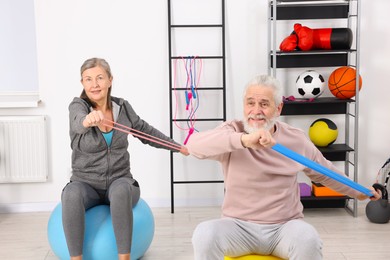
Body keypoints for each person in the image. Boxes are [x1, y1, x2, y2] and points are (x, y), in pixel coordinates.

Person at [186, 75, 380, 260]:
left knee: (308, 239)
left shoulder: (295, 139)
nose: (256, 110)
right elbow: (193, 146)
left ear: (278, 108)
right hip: (237, 226)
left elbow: (324, 172)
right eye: (250, 103)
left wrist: (358, 192)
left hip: (284, 227)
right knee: (204, 234)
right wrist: (244, 140)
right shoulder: (233, 132)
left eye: (264, 104)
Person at [62, 57, 188, 260]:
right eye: (88, 79)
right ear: (82, 83)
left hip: (120, 180)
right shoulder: (77, 107)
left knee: (121, 190)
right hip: (86, 184)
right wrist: (87, 120)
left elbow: (146, 132)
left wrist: (177, 146)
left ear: (110, 80)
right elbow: (77, 123)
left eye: (100, 78)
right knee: (70, 193)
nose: (94, 84)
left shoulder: (123, 108)